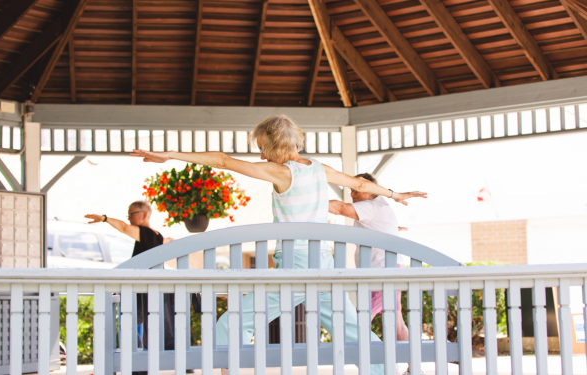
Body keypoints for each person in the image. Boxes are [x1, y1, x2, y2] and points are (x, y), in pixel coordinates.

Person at [130, 114, 427, 375]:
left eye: (262, 147)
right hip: (323, 261)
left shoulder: (280, 171)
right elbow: (360, 185)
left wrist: (168, 154)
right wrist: (395, 194)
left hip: (296, 265)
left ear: (274, 145)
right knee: (352, 330)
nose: (261, 156)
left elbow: (222, 160)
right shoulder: (320, 169)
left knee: (231, 323)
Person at [86, 201, 192, 375]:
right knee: (148, 324)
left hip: (142, 289)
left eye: (132, 213)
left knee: (130, 323)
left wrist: (104, 218)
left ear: (144, 214)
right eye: (128, 214)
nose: (129, 217)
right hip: (151, 288)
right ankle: (146, 362)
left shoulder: (145, 233)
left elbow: (124, 227)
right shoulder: (156, 235)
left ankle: (137, 362)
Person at [328, 172, 410, 342]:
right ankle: (413, 367)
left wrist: (309, 203)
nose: (351, 193)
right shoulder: (381, 205)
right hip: (392, 268)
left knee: (361, 320)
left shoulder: (370, 206)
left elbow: (340, 208)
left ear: (368, 190)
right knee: (397, 322)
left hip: (382, 272)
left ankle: (375, 365)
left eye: (355, 189)